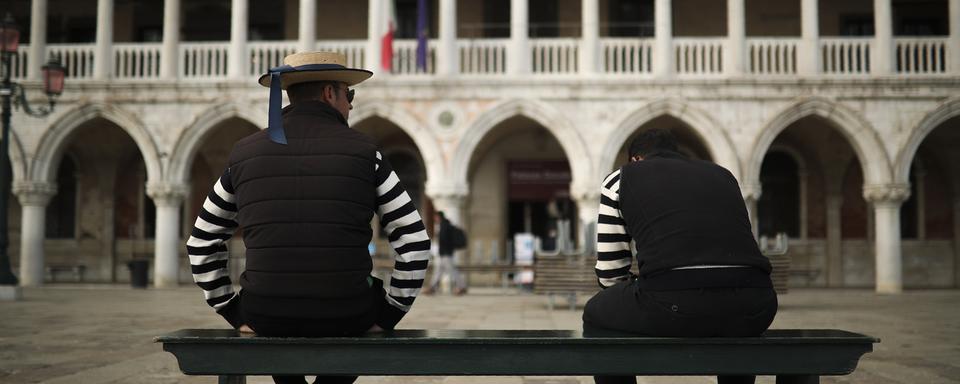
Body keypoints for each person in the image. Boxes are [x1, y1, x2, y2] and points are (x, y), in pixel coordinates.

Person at [186, 52, 431, 384]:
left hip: (265, 314)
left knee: (279, 316)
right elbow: (414, 242)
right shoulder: (364, 152)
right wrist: (389, 315)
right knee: (356, 307)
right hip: (348, 314)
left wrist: (232, 311)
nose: (352, 105)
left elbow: (202, 242)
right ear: (330, 93)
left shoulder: (243, 153)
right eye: (350, 95)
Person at [584, 128, 778, 384]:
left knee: (596, 313)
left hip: (674, 304)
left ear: (636, 159)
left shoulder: (621, 179)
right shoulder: (724, 176)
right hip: (757, 304)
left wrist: (637, 291)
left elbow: (610, 275)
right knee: (733, 313)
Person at [423, 211, 467, 295]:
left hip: (445, 253)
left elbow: (443, 240)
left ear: (438, 217)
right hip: (445, 253)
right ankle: (432, 287)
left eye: (435, 217)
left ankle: (461, 286)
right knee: (438, 271)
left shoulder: (444, 226)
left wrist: (441, 249)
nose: (434, 219)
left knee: (452, 271)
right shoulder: (446, 225)